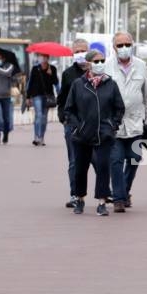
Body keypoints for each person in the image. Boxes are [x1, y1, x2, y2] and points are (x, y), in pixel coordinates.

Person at [64, 50, 125, 216]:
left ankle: (102, 202)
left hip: (104, 134)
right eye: (96, 61)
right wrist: (77, 127)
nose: (100, 64)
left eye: (102, 61)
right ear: (89, 63)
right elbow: (69, 109)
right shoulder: (78, 84)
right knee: (80, 168)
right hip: (82, 135)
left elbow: (119, 108)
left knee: (103, 168)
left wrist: (112, 125)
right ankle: (80, 198)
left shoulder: (111, 84)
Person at [106, 32, 147, 213]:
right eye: (120, 45)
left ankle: (124, 191)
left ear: (132, 45)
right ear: (114, 48)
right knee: (116, 160)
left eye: (127, 44)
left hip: (136, 124)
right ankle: (119, 199)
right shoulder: (106, 67)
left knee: (134, 159)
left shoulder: (141, 66)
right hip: (114, 125)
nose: (124, 48)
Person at [58, 39, 90, 208]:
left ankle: (106, 193)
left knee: (100, 161)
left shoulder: (96, 71)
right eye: (77, 51)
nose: (80, 54)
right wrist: (63, 117)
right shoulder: (68, 74)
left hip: (94, 124)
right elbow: (61, 99)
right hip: (72, 124)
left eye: (83, 50)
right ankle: (75, 195)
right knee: (74, 161)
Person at [26, 54, 59, 146]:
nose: (43, 59)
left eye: (45, 57)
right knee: (39, 115)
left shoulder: (52, 68)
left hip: (48, 96)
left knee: (44, 117)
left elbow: (56, 82)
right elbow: (30, 83)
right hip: (36, 95)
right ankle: (37, 137)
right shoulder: (35, 68)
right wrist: (28, 97)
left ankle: (42, 137)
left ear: (48, 58)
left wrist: (51, 74)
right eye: (41, 57)